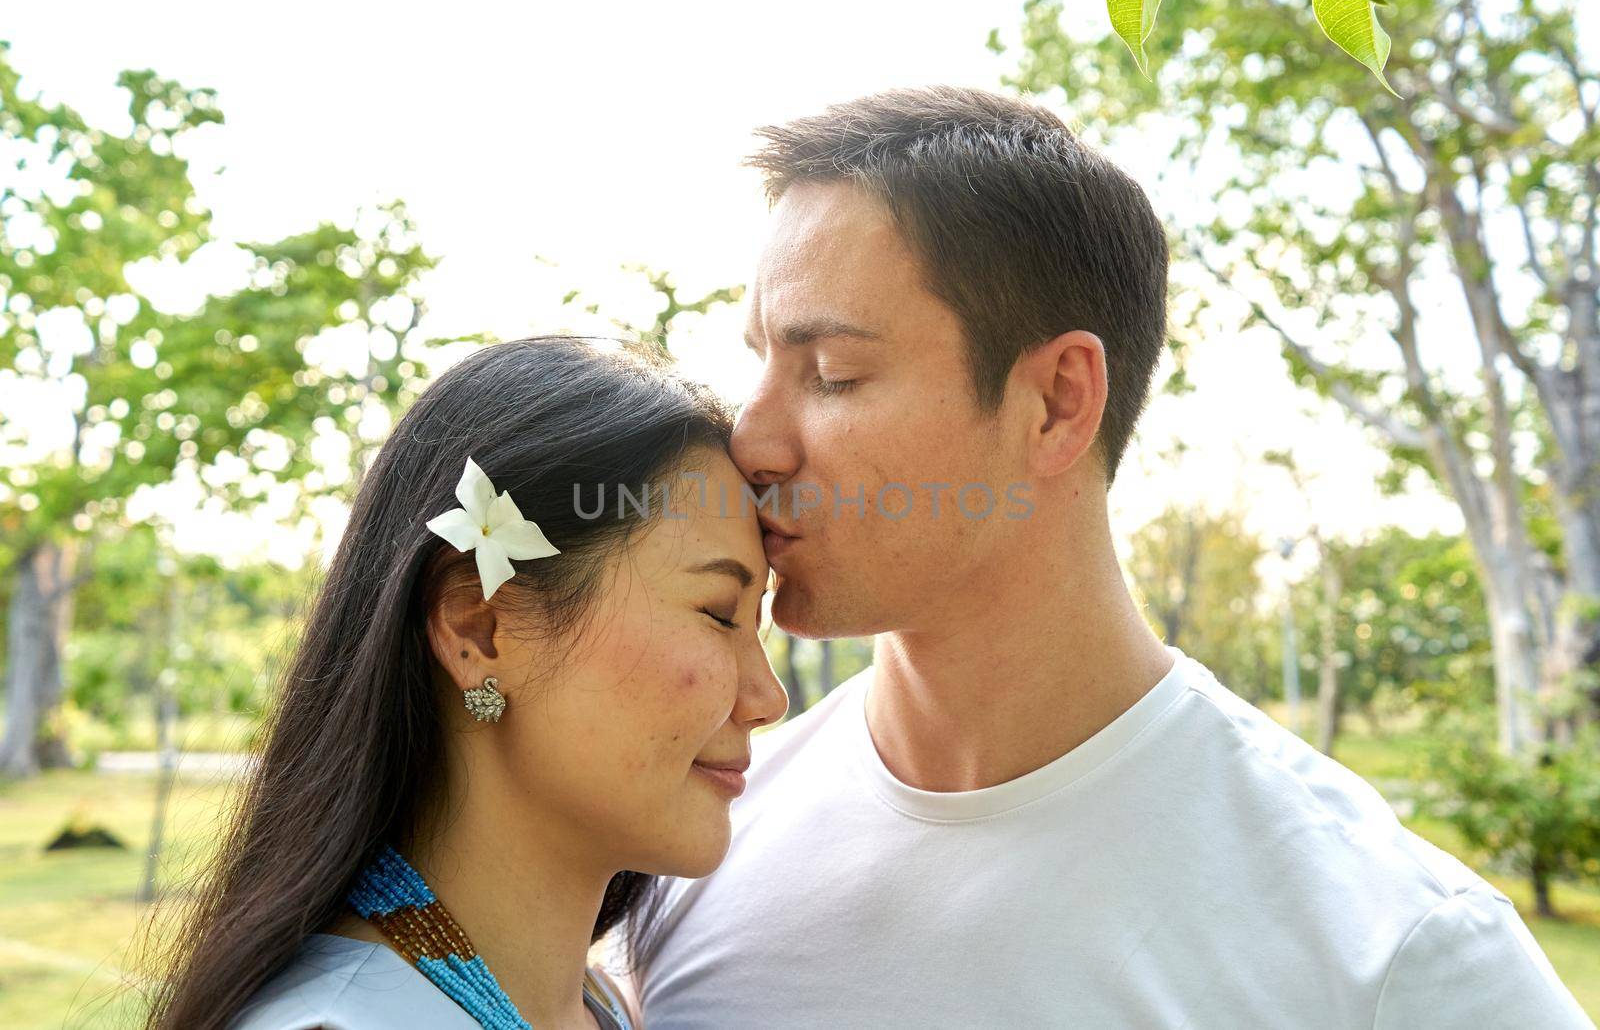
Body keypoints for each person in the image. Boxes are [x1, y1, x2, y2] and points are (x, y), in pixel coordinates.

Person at [613, 87, 1593, 1028]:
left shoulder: (1393, 951)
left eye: (831, 373)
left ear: (1057, 401)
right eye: (758, 363)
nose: (752, 439)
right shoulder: (690, 848)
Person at [145, 336, 786, 1030]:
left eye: (761, 624)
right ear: (478, 630)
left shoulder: (605, 1006)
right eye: (720, 614)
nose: (768, 698)